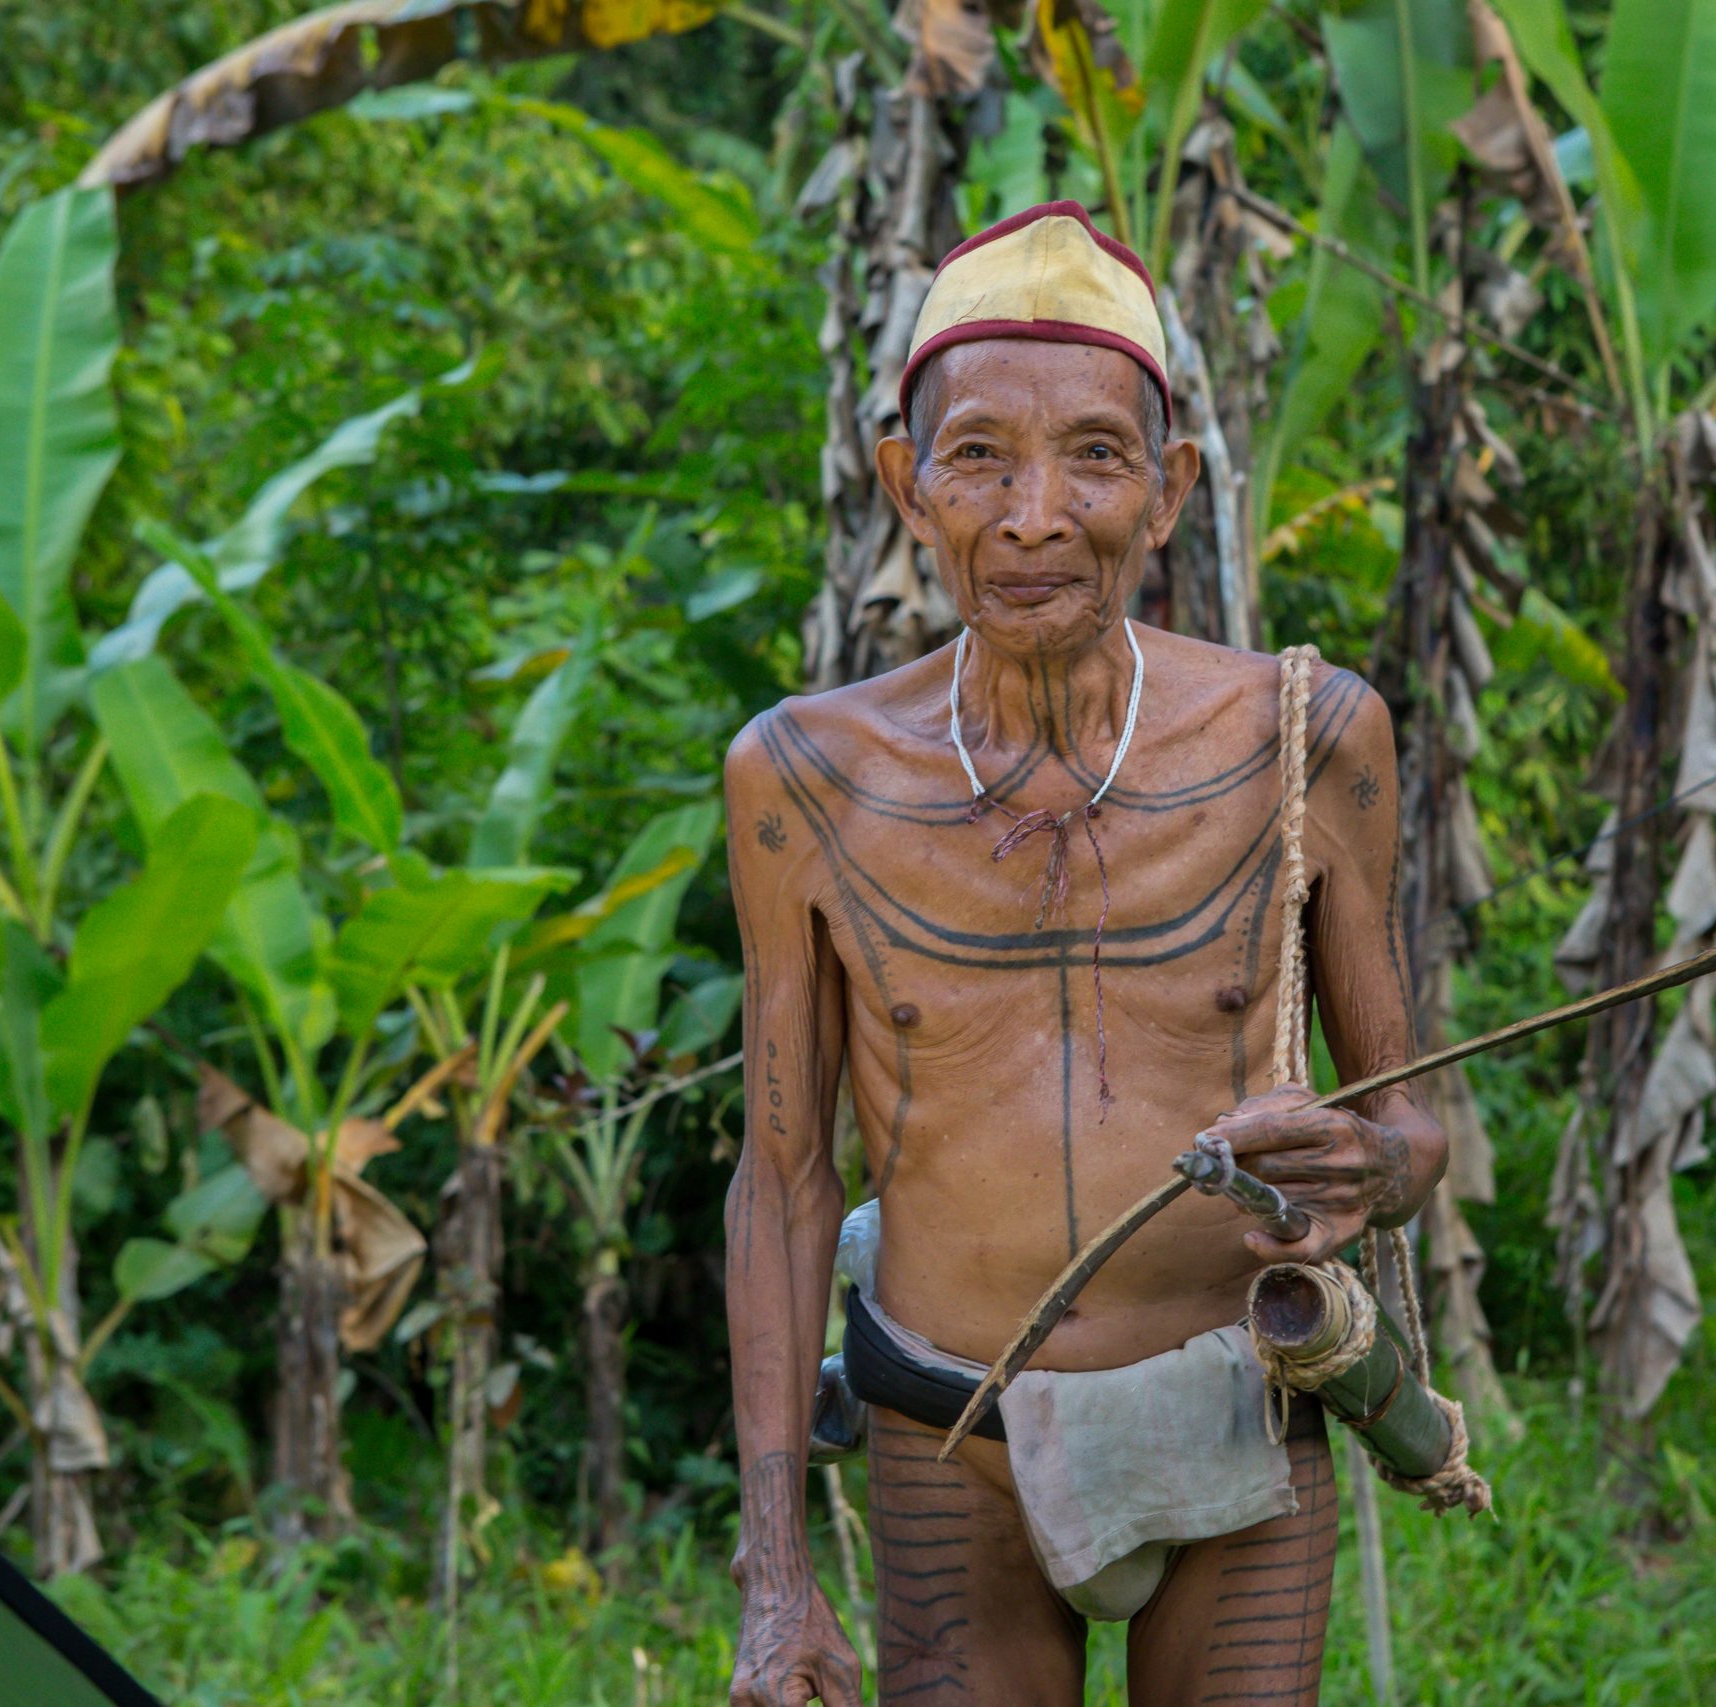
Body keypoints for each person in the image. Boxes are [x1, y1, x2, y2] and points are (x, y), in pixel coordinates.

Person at [723, 201, 1448, 1706]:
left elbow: (1412, 1121)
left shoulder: (1307, 738)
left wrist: (1365, 1175)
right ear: (906, 486)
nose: (1036, 514)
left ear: (1172, 489)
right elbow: (785, 1177)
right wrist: (777, 1580)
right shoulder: (803, 778)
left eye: (1097, 458)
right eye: (980, 455)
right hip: (945, 1432)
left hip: (1238, 1404)